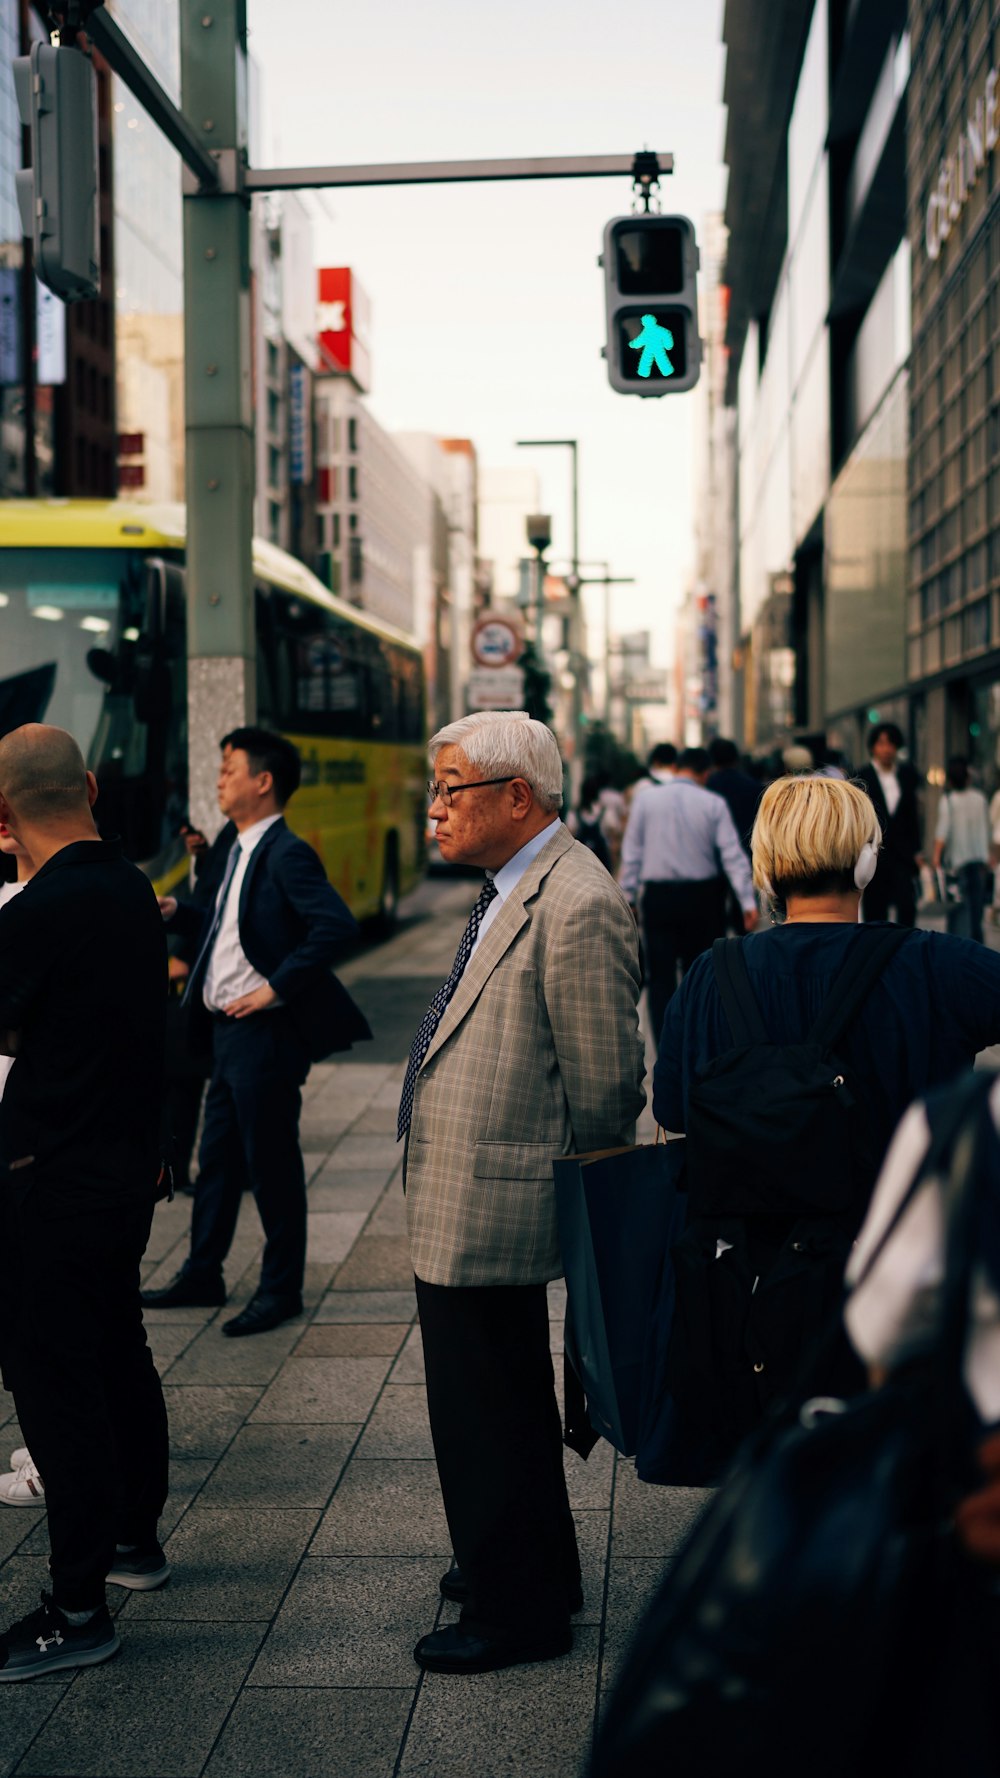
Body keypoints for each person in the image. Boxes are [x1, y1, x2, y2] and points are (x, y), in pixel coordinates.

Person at [651, 776, 1000, 1471]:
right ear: (868, 862)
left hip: (752, 1287)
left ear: (765, 866)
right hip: (903, 1268)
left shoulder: (711, 979)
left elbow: (670, 1110)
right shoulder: (938, 966)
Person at [399, 710, 645, 1676]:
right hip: (473, 1192)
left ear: (517, 796)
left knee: (486, 1409)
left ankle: (517, 1609)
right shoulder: (515, 881)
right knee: (497, 1401)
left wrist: (597, 1230)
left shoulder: (575, 899)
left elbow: (605, 1086)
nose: (434, 810)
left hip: (504, 1201)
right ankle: (527, 1564)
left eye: (449, 788)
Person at [0, 724, 169, 1682]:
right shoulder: (127, 884)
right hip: (117, 1173)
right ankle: (134, 1541)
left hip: (50, 1181)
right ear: (93, 787)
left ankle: (76, 1607)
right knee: (115, 1351)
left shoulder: (42, 908)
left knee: (55, 1381)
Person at [141, 728, 369, 1337]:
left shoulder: (286, 852)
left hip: (265, 1033)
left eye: (228, 768)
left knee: (270, 1164)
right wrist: (178, 913)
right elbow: (229, 923)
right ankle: (202, 1272)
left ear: (262, 782)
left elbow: (334, 926)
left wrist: (275, 989)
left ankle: (281, 1289)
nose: (219, 779)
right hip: (224, 1031)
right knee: (215, 1159)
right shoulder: (233, 848)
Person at [620, 744, 758, 1043]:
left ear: (677, 768)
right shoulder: (713, 803)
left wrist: (627, 896)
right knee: (704, 974)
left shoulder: (646, 800)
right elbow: (732, 855)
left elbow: (632, 852)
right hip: (703, 900)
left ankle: (668, 1042)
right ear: (705, 773)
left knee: (661, 978)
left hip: (658, 899)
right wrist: (747, 901)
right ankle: (700, 1041)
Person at [857, 721, 923, 925]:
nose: (886, 749)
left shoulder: (907, 775)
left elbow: (914, 816)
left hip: (903, 852)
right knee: (876, 907)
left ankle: (904, 947)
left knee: (907, 905)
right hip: (874, 850)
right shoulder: (863, 775)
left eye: (890, 744)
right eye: (881, 744)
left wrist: (918, 850)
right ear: (873, 747)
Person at [932, 756, 991, 942]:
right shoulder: (980, 798)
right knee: (976, 912)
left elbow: (943, 832)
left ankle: (961, 950)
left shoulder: (949, 801)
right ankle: (977, 949)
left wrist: (936, 857)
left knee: (959, 912)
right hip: (980, 861)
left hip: (958, 863)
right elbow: (986, 829)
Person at [707, 737, 760, 859]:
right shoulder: (753, 786)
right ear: (736, 758)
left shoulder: (706, 787)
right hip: (747, 852)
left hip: (714, 856)